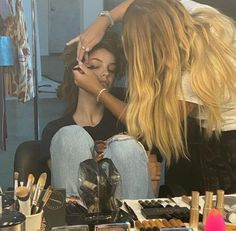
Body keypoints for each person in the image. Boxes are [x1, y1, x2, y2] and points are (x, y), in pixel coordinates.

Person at [68, 0, 236, 194]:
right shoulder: (188, 14)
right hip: (206, 128)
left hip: (226, 141)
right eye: (93, 66)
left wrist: (98, 91)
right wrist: (105, 20)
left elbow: (147, 126)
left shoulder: (190, 74)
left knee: (218, 214)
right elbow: (143, 4)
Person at [40, 32, 158, 200]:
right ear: (76, 72)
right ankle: (78, 222)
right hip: (78, 216)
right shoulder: (55, 130)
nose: (105, 74)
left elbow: (149, 178)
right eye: (94, 66)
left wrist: (99, 92)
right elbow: (65, 176)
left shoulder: (124, 122)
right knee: (70, 136)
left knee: (126, 146)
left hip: (125, 214)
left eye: (112, 69)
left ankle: (129, 222)